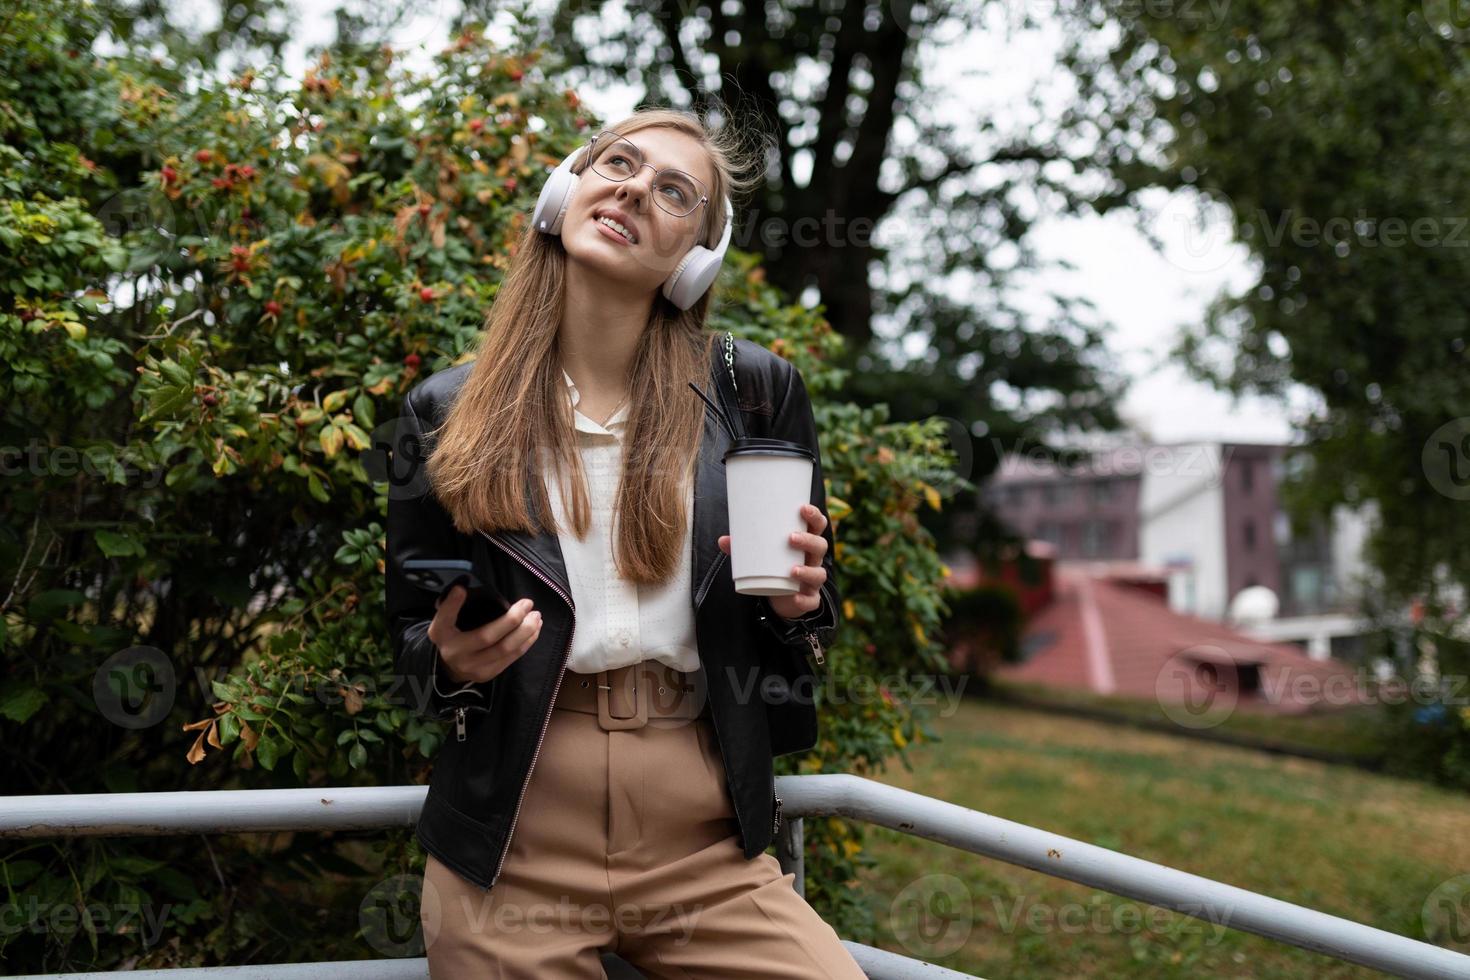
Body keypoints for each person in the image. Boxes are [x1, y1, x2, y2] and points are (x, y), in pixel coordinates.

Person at [384, 106, 863, 977]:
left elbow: (804, 637)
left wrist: (800, 609)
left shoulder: (754, 390)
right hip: (514, 844)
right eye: (618, 163)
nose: (635, 187)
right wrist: (450, 661)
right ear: (566, 188)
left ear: (696, 255)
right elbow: (410, 647)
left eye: (673, 190)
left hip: (707, 848)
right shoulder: (442, 411)